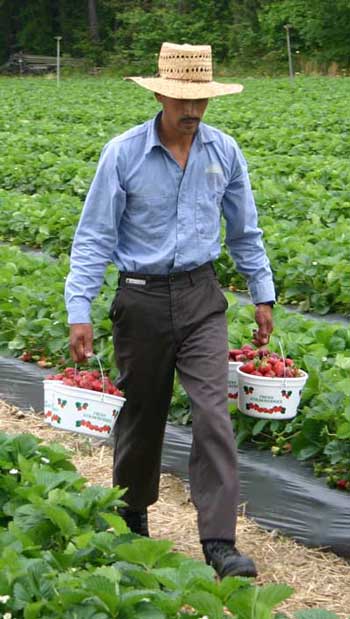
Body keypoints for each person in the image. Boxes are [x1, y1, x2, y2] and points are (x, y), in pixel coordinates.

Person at [65, 42, 276, 579]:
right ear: (159, 93)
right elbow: (93, 237)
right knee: (142, 412)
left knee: (213, 414)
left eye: (200, 100)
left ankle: (219, 541)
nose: (192, 110)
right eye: (182, 99)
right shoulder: (124, 153)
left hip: (203, 296)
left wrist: (262, 292)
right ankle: (132, 513)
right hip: (141, 298)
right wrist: (79, 307)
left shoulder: (224, 152)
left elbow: (245, 230)